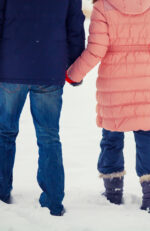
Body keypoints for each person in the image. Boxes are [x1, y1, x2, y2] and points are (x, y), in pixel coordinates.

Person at [67, 0, 150, 217]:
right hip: (147, 82)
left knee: (111, 138)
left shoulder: (103, 6)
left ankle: (113, 194)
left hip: (114, 83)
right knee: (147, 139)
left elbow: (96, 49)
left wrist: (73, 73)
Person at [0, 0, 85, 216]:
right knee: (49, 137)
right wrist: (75, 67)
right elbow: (74, 25)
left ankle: (0, 194)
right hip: (49, 67)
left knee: (4, 133)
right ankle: (53, 202)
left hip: (11, 66)